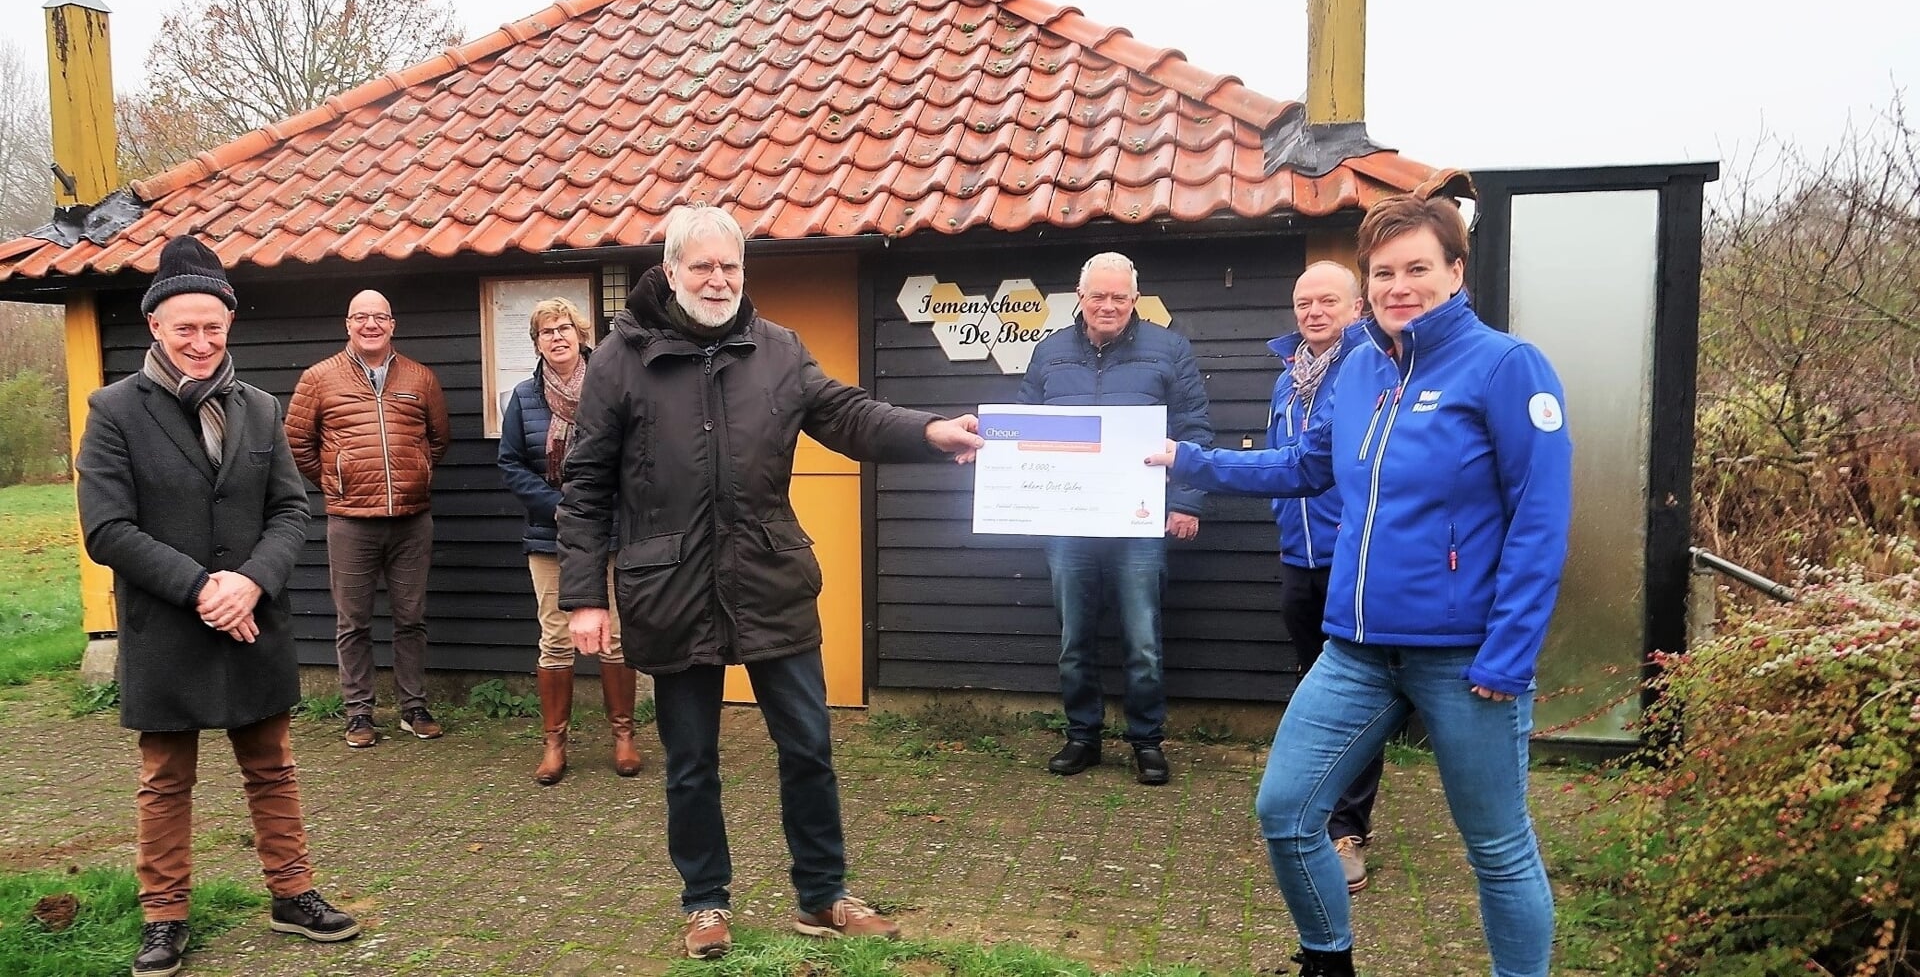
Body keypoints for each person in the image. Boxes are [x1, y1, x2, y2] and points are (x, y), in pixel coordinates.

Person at [1148, 173, 1573, 977]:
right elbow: (1307, 467)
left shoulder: (1507, 367)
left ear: (1455, 272)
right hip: (1355, 649)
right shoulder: (1360, 372)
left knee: (1497, 848)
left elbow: (1541, 522)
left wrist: (1510, 655)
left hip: (1466, 659)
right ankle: (1326, 958)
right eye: (1383, 273)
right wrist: (1187, 458)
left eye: (1417, 269)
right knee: (1286, 812)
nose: (1398, 287)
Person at [556, 204, 985, 960]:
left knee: (810, 746)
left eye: (731, 267)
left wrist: (926, 432)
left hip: (769, 575)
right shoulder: (619, 360)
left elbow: (847, 415)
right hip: (669, 587)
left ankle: (822, 896)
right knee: (690, 762)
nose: (718, 280)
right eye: (703, 267)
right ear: (671, 270)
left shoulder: (779, 350)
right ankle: (705, 902)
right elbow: (586, 484)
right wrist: (586, 594)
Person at [76, 235, 361, 977]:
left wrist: (251, 582)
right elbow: (107, 527)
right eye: (185, 328)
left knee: (272, 767)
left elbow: (293, 513)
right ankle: (164, 916)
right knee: (165, 777)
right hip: (167, 624)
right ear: (156, 327)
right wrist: (202, 587)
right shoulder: (112, 410)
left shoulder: (261, 409)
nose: (201, 342)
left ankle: (292, 894)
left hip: (252, 620)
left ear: (228, 325)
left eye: (213, 327)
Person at [1017, 252, 1211, 786]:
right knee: (1073, 637)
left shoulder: (1169, 349)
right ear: (1080, 298)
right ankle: (1083, 736)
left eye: (1118, 297)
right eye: (1097, 296)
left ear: (1134, 299)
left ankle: (1146, 741)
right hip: (1068, 519)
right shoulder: (1049, 351)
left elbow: (1194, 427)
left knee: (1143, 638)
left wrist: (1188, 501)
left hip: (1140, 519)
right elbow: (1024, 425)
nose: (1107, 305)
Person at [285, 288, 450, 748]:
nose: (371, 325)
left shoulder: (420, 378)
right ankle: (359, 713)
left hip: (412, 520)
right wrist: (336, 481)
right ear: (348, 324)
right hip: (351, 522)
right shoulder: (319, 378)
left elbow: (437, 439)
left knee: (411, 618)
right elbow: (298, 442)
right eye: (361, 317)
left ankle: (413, 706)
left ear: (392, 324)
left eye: (380, 317)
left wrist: (416, 473)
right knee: (352, 622)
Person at [1269, 261, 1384, 894]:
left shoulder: (1370, 370)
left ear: (1356, 306)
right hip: (1297, 557)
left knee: (1356, 694)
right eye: (1303, 301)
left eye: (1327, 301)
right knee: (1313, 689)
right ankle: (1313, 809)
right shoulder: (1288, 380)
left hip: (1352, 558)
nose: (1313, 312)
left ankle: (1347, 829)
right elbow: (1286, 465)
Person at [497, 297, 645, 785]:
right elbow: (511, 464)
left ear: (581, 335)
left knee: (617, 638)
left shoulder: (610, 389)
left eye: (564, 328)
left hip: (612, 533)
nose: (557, 337)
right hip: (550, 535)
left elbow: (634, 456)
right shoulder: (523, 397)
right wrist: (557, 508)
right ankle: (554, 743)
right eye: (546, 332)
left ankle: (624, 736)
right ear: (537, 343)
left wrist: (604, 508)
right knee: (555, 640)